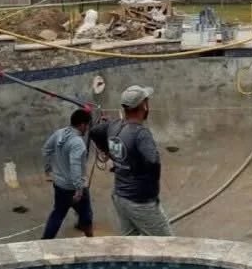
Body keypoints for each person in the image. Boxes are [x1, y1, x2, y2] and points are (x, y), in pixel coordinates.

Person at [90, 84, 172, 237]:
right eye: (147, 102)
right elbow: (153, 162)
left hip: (120, 196)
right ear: (143, 106)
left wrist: (109, 152)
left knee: (130, 243)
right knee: (166, 244)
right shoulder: (141, 134)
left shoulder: (113, 126)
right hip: (139, 201)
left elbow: (94, 131)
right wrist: (151, 194)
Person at [41, 107, 94, 239]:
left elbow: (46, 149)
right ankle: (91, 241)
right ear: (82, 124)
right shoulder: (78, 143)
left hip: (59, 185)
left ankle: (45, 241)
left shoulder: (59, 133)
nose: (87, 129)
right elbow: (75, 165)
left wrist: (48, 170)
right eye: (87, 125)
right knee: (87, 214)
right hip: (73, 187)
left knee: (58, 214)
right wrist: (79, 188)